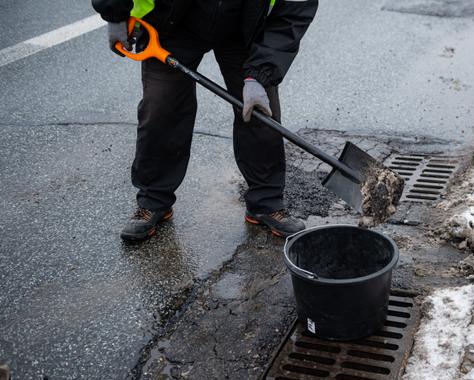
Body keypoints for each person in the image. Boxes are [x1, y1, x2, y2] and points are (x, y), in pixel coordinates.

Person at [91, 0, 318, 240]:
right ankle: (153, 201)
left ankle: (266, 202)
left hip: (244, 25)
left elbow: (293, 11)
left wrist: (260, 74)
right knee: (161, 106)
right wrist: (114, 13)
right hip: (174, 20)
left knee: (261, 112)